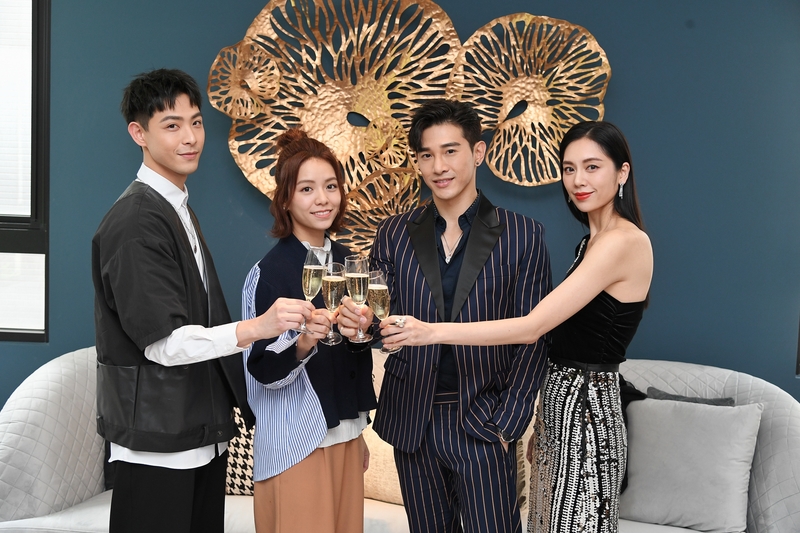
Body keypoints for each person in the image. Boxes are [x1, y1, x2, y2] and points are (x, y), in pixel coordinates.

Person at [377, 121, 654, 533]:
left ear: (622, 172)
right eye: (569, 168)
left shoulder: (622, 242)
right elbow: (565, 343)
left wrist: (431, 332)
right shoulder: (591, 242)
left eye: (592, 167)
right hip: (559, 409)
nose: (579, 180)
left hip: (586, 414)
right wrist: (541, 420)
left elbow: (532, 328)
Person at [91, 68, 314, 533]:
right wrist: (258, 327)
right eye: (171, 125)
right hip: (159, 445)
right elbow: (164, 344)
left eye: (196, 122)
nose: (190, 137)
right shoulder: (136, 221)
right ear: (139, 133)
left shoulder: (176, 207)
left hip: (198, 436)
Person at [339, 99, 552, 533]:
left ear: (478, 152)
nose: (439, 166)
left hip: (484, 419)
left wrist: (508, 423)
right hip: (412, 419)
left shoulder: (523, 235)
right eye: (427, 155)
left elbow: (535, 335)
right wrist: (361, 326)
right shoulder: (394, 232)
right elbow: (381, 321)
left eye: (451, 151)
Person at [241, 129, 377, 533]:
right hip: (296, 442)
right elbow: (259, 369)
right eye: (307, 189)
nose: (323, 199)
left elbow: (353, 358)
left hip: (344, 435)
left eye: (331, 186)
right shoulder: (268, 274)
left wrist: (361, 332)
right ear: (285, 199)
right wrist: (303, 342)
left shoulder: (348, 262)